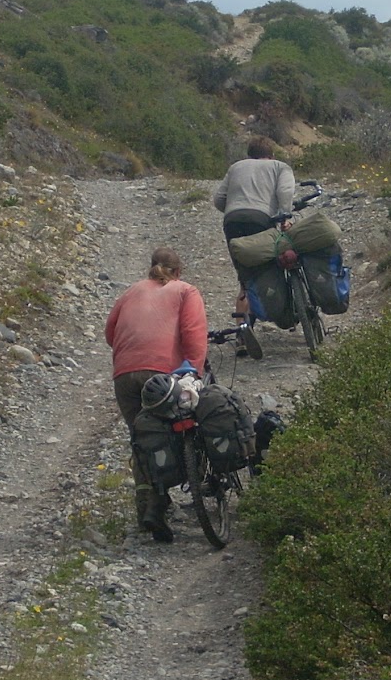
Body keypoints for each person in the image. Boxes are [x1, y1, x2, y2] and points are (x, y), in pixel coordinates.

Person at [105, 246, 207, 542]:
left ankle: (148, 507)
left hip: (124, 375)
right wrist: (193, 372)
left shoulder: (130, 292)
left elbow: (110, 333)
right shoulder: (185, 291)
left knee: (143, 438)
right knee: (178, 426)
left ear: (151, 268)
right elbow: (193, 333)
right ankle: (174, 490)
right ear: (178, 272)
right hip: (161, 374)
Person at [212, 136, 295, 348]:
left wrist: (236, 209)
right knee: (269, 267)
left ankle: (241, 332)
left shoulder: (236, 167)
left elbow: (218, 199)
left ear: (249, 154)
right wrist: (285, 217)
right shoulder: (279, 167)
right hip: (261, 219)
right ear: (271, 154)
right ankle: (280, 310)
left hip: (232, 220)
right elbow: (285, 192)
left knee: (245, 277)